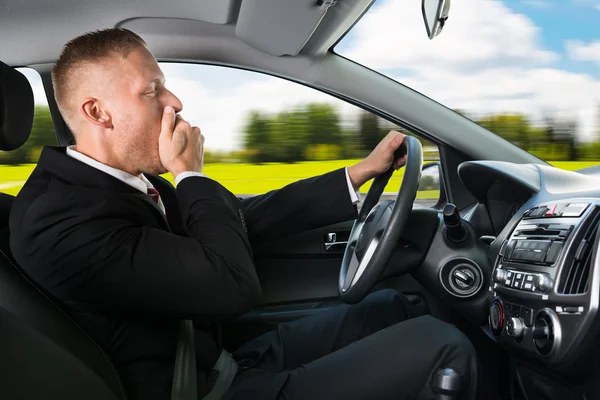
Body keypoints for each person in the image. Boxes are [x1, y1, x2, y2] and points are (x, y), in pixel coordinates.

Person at [9, 28, 481, 400]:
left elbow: (237, 219)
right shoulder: (57, 219)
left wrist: (358, 174)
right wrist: (191, 176)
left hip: (220, 361)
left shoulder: (116, 181)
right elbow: (229, 282)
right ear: (99, 112)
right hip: (201, 391)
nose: (174, 103)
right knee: (442, 346)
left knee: (397, 307)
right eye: (152, 90)